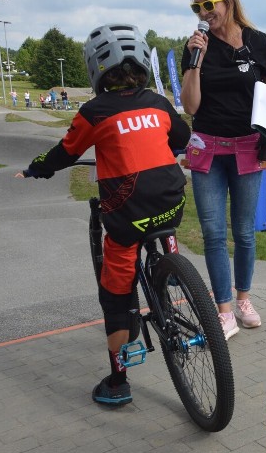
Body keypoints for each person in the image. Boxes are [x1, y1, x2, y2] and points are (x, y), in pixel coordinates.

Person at [21, 23, 190, 406]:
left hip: (126, 211)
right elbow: (180, 140)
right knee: (162, 216)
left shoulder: (94, 111)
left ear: (96, 69)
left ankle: (118, 381)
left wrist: (36, 168)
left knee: (115, 289)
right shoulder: (158, 103)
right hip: (172, 199)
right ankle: (171, 263)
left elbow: (64, 153)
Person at [181, 0, 266, 339]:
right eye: (197, 6)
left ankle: (244, 299)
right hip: (207, 147)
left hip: (247, 147)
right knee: (212, 233)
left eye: (209, 4)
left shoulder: (257, 42)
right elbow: (191, 104)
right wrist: (195, 61)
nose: (203, 12)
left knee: (243, 232)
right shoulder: (195, 46)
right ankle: (223, 310)